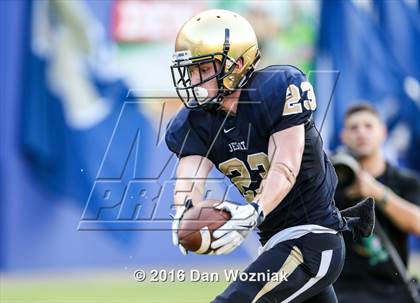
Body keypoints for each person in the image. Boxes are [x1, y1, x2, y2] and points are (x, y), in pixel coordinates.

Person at [166, 9, 372, 303]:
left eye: (203, 69)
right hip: (275, 242)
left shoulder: (277, 89)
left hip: (312, 237)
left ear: (236, 64)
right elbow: (190, 178)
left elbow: (285, 167)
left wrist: (254, 210)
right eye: (190, 71)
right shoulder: (194, 121)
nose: (194, 80)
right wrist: (183, 211)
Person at [334, 103, 420, 303]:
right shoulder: (331, 182)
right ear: (344, 137)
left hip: (392, 291)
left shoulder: (404, 181)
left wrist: (377, 192)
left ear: (383, 132)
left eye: (368, 126)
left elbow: (417, 224)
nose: (361, 132)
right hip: (342, 292)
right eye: (354, 128)